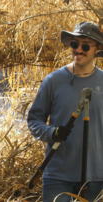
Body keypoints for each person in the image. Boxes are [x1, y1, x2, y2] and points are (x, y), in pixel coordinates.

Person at [28, 21, 103, 202]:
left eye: (85, 45)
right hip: (57, 175)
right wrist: (51, 133)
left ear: (98, 48)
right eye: (75, 44)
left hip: (96, 177)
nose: (79, 50)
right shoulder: (53, 80)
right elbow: (34, 119)